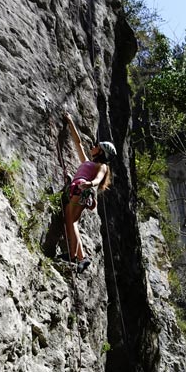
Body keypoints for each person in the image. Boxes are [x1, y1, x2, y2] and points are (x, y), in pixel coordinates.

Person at [61, 112, 116, 274]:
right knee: (70, 219)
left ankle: (79, 256)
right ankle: (76, 255)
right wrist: (70, 121)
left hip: (83, 190)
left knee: (71, 221)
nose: (93, 147)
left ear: (101, 152)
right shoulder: (87, 162)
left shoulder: (102, 166)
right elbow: (78, 142)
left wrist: (88, 184)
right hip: (80, 190)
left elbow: (98, 179)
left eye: (96, 146)